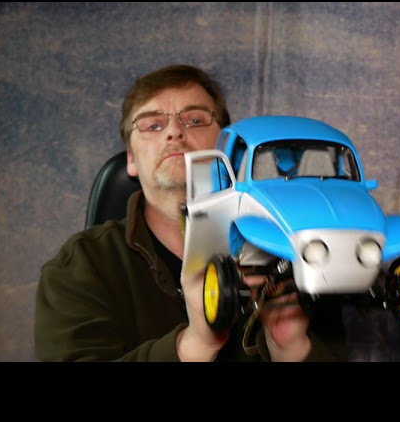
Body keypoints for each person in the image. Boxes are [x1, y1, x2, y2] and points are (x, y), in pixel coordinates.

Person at [34, 64, 348, 362]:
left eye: (195, 120)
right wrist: (197, 344)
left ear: (227, 149)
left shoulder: (291, 253)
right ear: (131, 159)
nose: (174, 132)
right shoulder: (80, 266)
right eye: (153, 125)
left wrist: (292, 347)